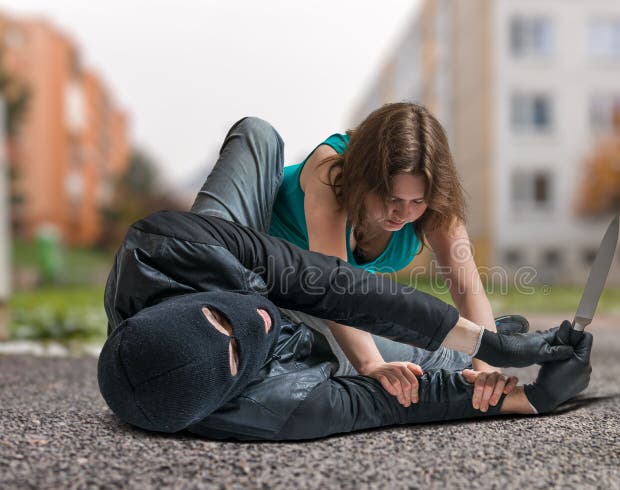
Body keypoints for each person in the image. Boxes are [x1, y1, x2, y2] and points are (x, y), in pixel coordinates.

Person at [98, 210, 592, 441]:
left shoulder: (169, 246)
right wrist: (528, 401)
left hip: (238, 263)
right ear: (228, 392)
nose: (257, 320)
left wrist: (493, 344)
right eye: (233, 354)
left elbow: (338, 287)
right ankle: (456, 348)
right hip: (296, 345)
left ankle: (469, 340)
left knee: (258, 134)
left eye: (217, 316)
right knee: (421, 365)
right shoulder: (281, 409)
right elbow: (387, 406)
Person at [190, 104, 517, 408]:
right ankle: (190, 289)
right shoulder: (332, 172)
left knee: (382, 342)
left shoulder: (435, 202)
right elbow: (335, 288)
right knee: (257, 130)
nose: (402, 213)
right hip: (250, 265)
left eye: (416, 202)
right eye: (391, 197)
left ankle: (474, 344)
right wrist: (370, 364)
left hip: (298, 304)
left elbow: (467, 286)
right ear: (364, 180)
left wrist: (488, 364)